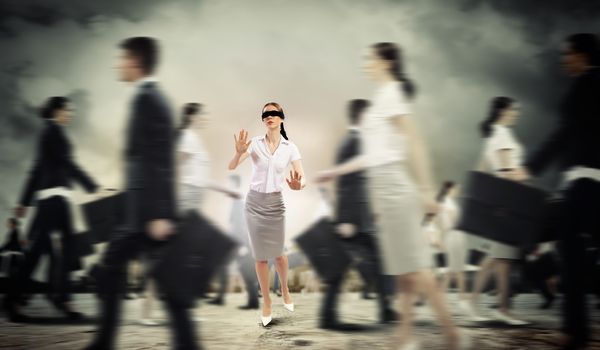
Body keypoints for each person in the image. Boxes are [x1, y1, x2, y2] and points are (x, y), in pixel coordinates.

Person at [316, 42, 470, 350]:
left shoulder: (393, 93)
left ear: (386, 62)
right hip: (383, 187)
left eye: (369, 58)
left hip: (394, 186)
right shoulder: (381, 98)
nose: (364, 63)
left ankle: (453, 336)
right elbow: (372, 156)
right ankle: (405, 336)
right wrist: (336, 172)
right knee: (403, 270)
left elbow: (415, 142)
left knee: (416, 268)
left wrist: (426, 189)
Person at [83, 37, 199, 350]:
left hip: (147, 215)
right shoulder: (149, 98)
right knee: (116, 273)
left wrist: (161, 213)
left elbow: (159, 161)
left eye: (121, 59)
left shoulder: (149, 99)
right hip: (139, 211)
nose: (117, 65)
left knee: (120, 274)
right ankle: (104, 341)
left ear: (135, 61)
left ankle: (104, 342)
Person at [523, 33, 600, 350]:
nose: (563, 59)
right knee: (574, 251)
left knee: (569, 250)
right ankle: (575, 329)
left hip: (583, 180)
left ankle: (574, 330)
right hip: (592, 179)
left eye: (567, 53)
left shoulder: (587, 83)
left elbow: (564, 132)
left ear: (582, 55)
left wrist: (530, 167)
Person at [4, 96, 99, 322]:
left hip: (54, 198)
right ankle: (40, 298)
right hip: (54, 199)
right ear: (57, 110)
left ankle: (58, 298)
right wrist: (93, 186)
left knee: (57, 249)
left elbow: (37, 171)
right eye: (68, 110)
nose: (71, 114)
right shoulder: (54, 133)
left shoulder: (49, 134)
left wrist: (24, 201)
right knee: (48, 250)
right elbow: (68, 164)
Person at [319, 99, 397, 331]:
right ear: (362, 116)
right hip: (353, 219)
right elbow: (346, 185)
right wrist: (347, 220)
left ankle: (385, 309)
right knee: (346, 266)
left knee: (376, 262)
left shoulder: (353, 141)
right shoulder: (354, 141)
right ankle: (329, 316)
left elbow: (355, 183)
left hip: (359, 218)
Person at [228, 102, 305, 327]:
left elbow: (302, 176)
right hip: (254, 203)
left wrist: (298, 185)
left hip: (275, 203)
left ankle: (285, 288)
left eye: (274, 113)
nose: (269, 116)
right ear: (263, 119)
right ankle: (267, 302)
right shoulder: (253, 144)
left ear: (281, 118)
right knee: (260, 256)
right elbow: (232, 166)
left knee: (279, 254)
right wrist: (238, 153)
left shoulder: (290, 147)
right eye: (265, 114)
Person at [463, 96, 530, 326]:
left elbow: (480, 168)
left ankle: (500, 307)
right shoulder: (501, 133)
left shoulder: (493, 134)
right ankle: (476, 302)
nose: (517, 113)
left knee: (501, 258)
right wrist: (522, 183)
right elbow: (505, 169)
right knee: (498, 257)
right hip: (508, 198)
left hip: (501, 198)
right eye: (514, 109)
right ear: (503, 110)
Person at [436, 182, 470, 312]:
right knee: (459, 269)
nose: (458, 190)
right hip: (455, 235)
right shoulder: (449, 203)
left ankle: (441, 297)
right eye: (456, 188)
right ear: (450, 189)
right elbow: (456, 220)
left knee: (452, 270)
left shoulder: (443, 202)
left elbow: (441, 223)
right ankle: (462, 299)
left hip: (450, 236)